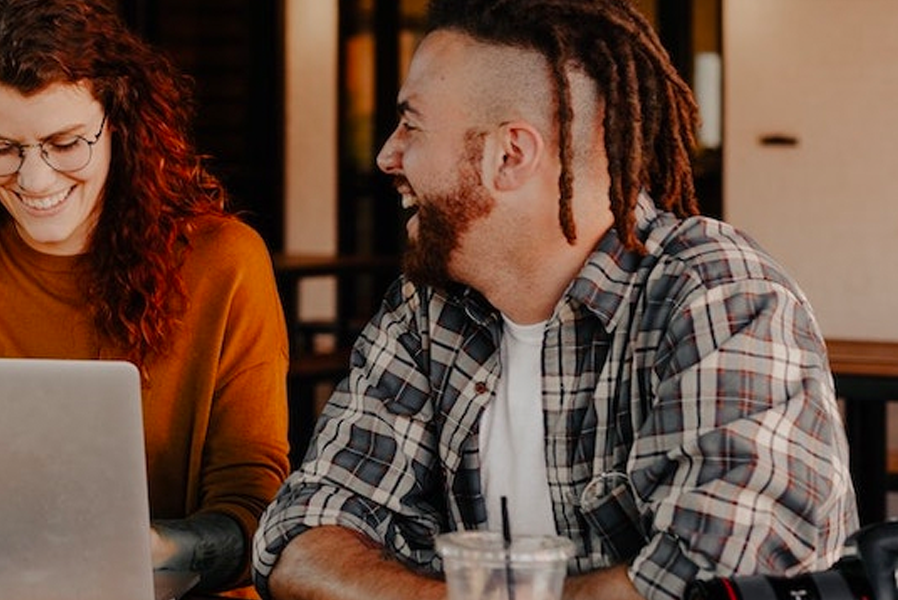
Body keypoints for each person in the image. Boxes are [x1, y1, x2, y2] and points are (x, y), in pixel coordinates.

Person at [252, 1, 859, 599]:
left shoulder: (719, 297)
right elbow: (302, 532)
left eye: (411, 124)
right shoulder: (426, 309)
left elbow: (718, 576)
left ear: (510, 156)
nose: (388, 154)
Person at [0, 0, 290, 594]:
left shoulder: (224, 262)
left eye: (66, 144)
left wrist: (156, 547)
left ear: (121, 125)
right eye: (0, 148)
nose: (34, 181)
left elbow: (257, 505)